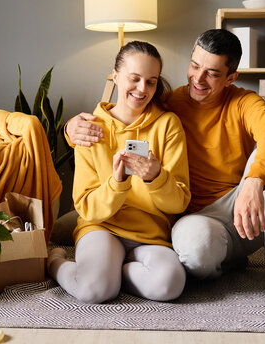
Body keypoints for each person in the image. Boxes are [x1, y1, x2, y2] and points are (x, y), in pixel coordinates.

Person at [65, 29, 265, 307]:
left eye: (211, 73)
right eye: (195, 66)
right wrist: (71, 129)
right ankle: (224, 264)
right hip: (198, 219)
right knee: (191, 254)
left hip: (243, 208)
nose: (198, 79)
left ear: (230, 78)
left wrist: (254, 181)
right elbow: (124, 113)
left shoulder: (243, 102)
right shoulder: (169, 104)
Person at [47, 41, 191, 303]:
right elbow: (87, 207)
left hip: (149, 235)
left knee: (169, 285)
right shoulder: (89, 128)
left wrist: (155, 178)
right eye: (134, 79)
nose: (142, 89)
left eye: (151, 81)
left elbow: (178, 202)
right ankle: (56, 264)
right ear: (115, 76)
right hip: (102, 227)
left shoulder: (168, 125)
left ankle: (110, 275)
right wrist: (117, 183)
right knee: (94, 292)